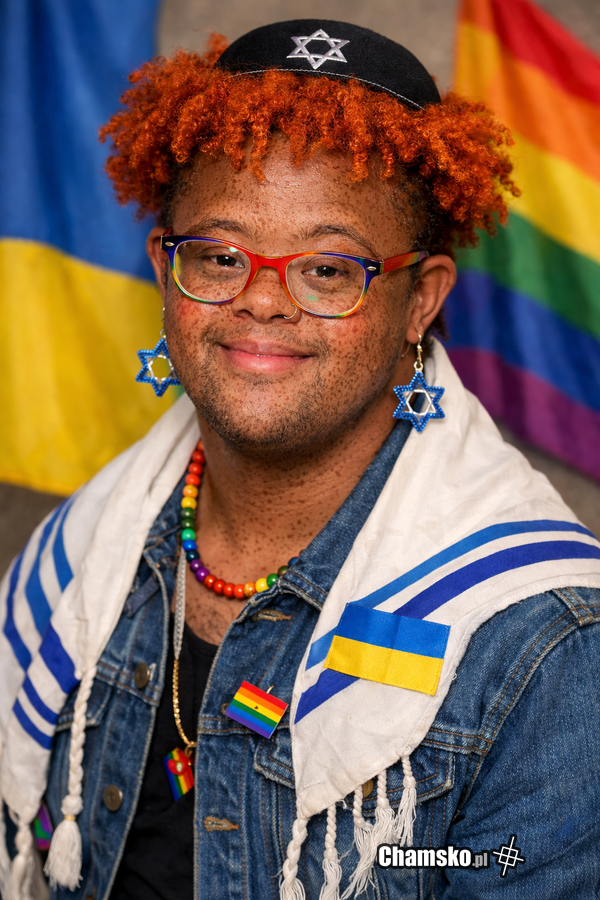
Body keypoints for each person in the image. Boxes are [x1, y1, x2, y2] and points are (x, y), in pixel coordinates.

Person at [1, 19, 600, 900]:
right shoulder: (83, 547)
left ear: (420, 301)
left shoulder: (546, 644)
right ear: (165, 274)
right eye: (219, 255)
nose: (263, 300)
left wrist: (404, 861)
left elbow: (500, 866)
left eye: (327, 270)